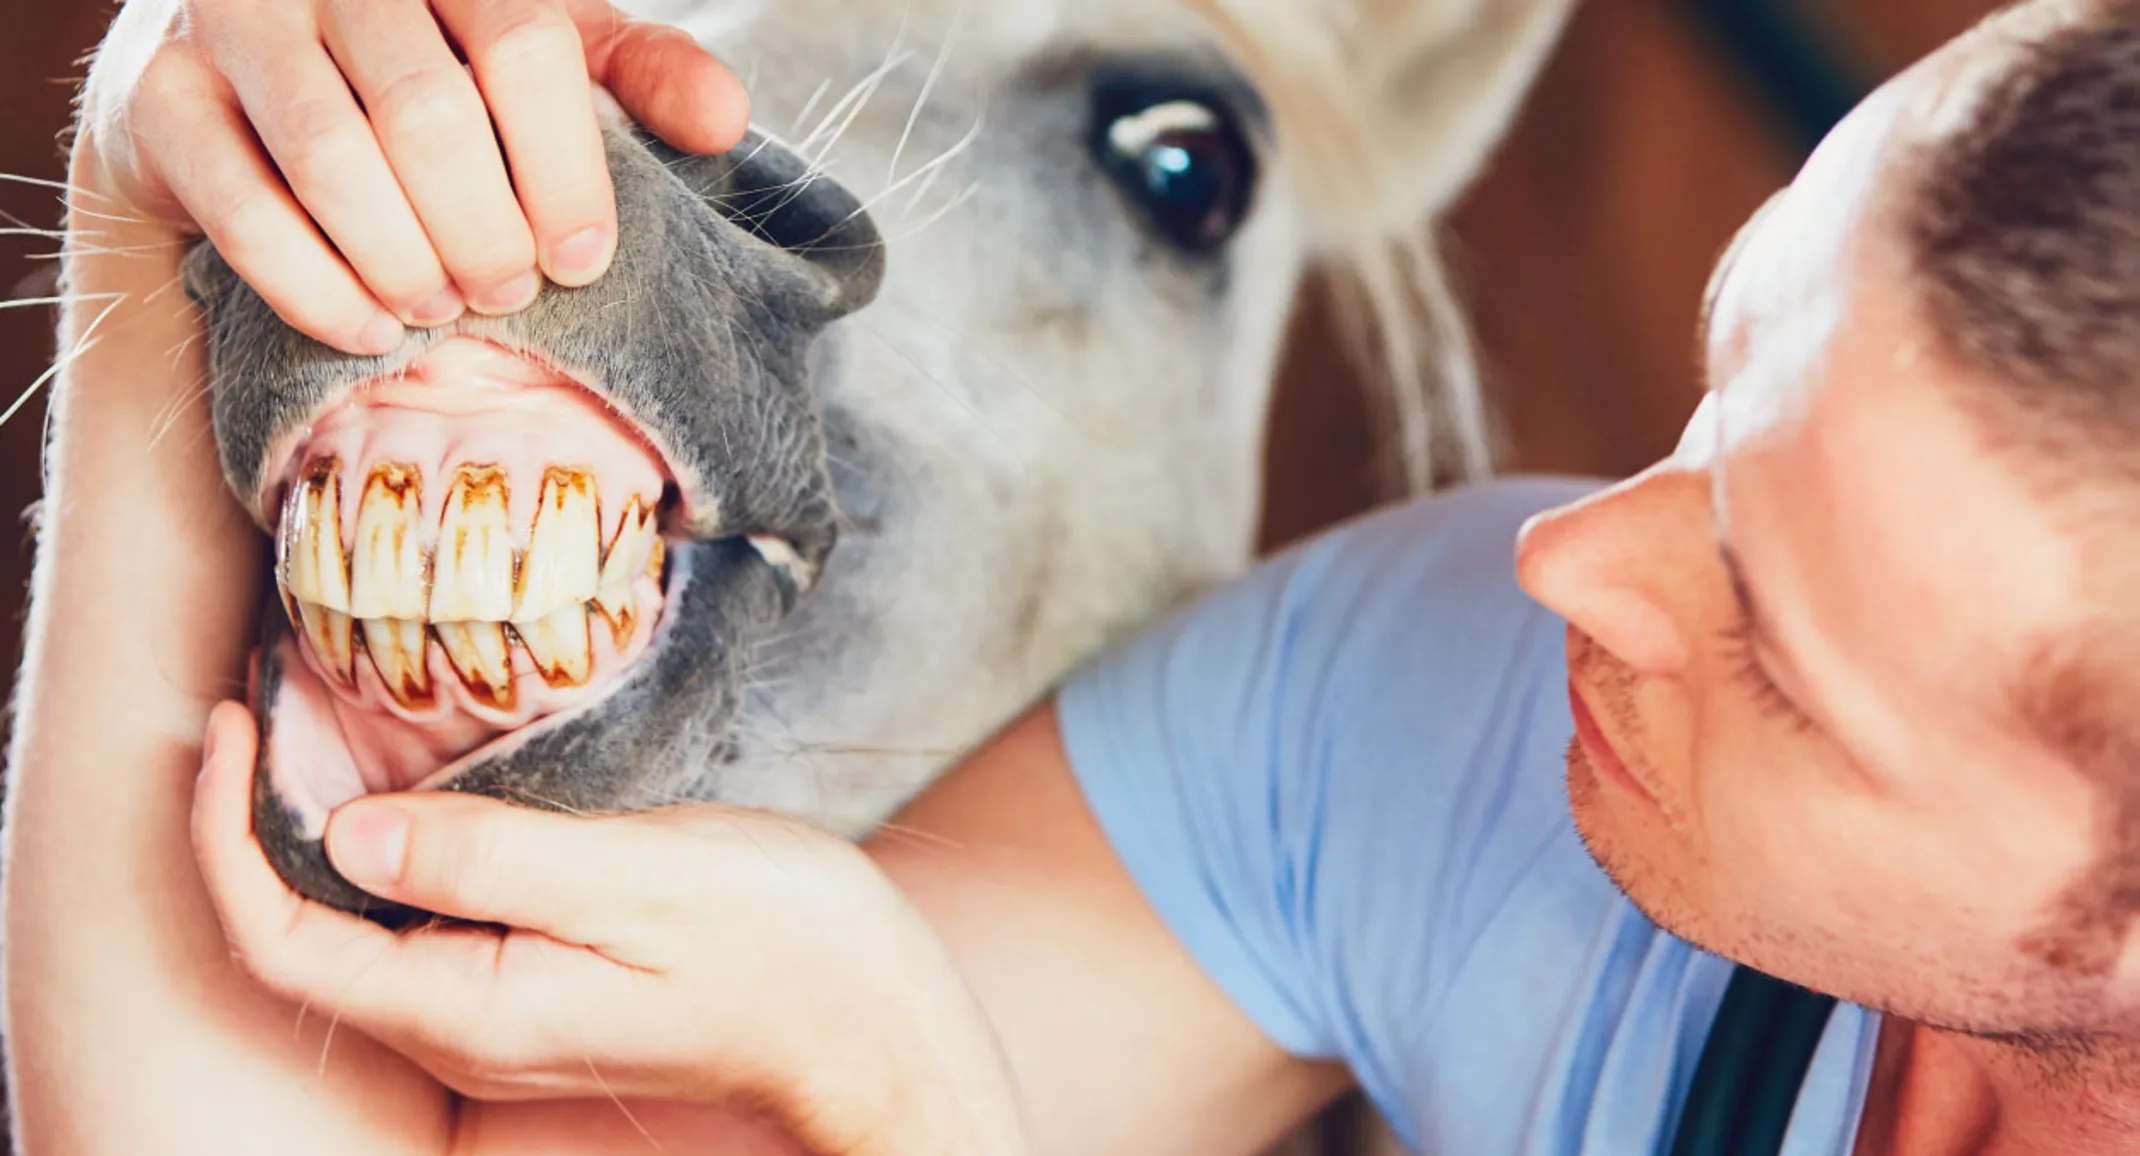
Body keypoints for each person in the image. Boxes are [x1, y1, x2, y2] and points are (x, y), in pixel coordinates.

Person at [11, 1, 2140, 1154]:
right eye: (1710, 399)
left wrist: (919, 1107)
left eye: (1778, 653)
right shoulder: (1451, 711)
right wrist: (166, 188)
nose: (1560, 551)